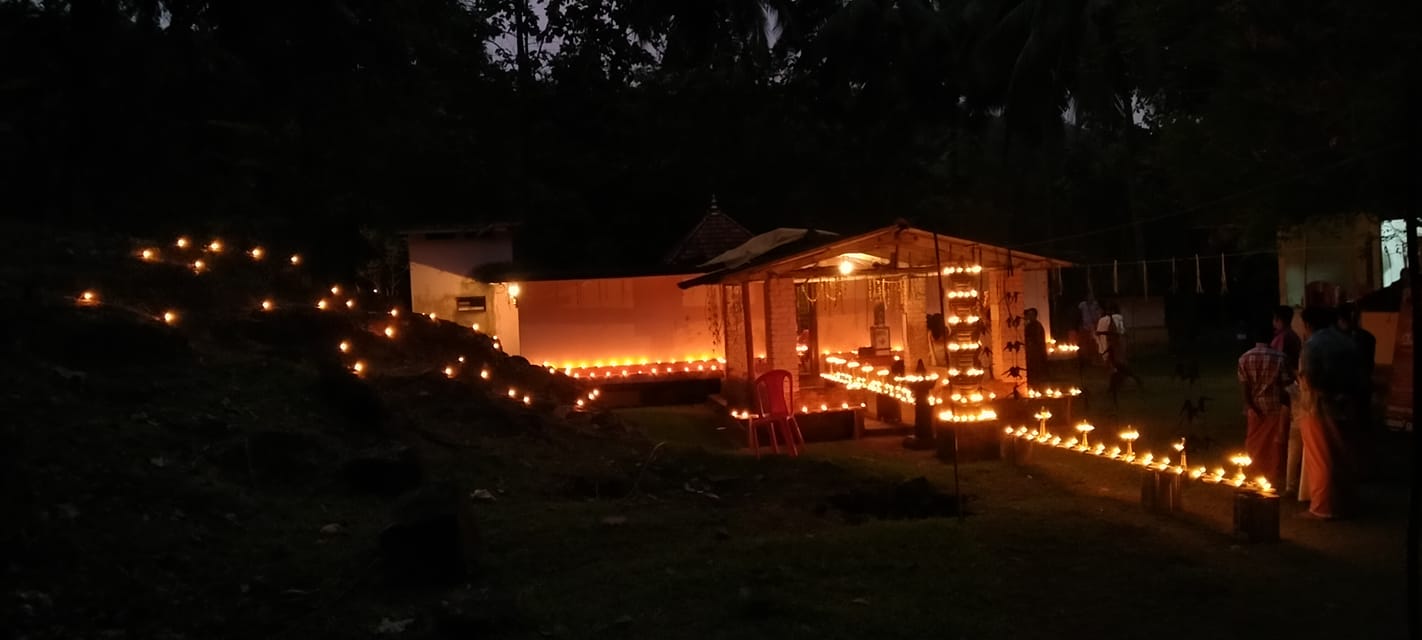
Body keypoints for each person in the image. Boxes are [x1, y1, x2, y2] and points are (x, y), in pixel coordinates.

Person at [1297, 306, 1361, 520]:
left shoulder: (1312, 345)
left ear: (1308, 324)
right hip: (1347, 403)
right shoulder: (1347, 342)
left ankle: (1322, 507)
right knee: (1343, 454)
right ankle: (1345, 503)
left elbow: (1309, 377)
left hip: (1319, 405)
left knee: (1320, 457)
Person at [1238, 326, 1288, 486]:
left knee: (1254, 441)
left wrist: (1249, 404)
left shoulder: (1245, 358)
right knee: (1274, 442)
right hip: (1274, 405)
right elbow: (1286, 383)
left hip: (1255, 406)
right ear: (1271, 337)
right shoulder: (1280, 357)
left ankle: (1254, 469)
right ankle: (1272, 473)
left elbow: (1244, 385)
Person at [1337, 302, 1377, 431]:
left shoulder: (1337, 339)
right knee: (1362, 422)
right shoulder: (1368, 337)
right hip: (1363, 385)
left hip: (1346, 388)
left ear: (1340, 319)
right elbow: (1369, 363)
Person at [1097, 301, 1143, 403]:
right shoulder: (1113, 319)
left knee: (1119, 368)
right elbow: (1119, 332)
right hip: (1114, 348)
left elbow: (1115, 333)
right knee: (1117, 368)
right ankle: (1115, 386)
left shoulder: (1113, 320)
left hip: (1114, 348)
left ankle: (1119, 385)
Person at [1270, 305, 1303, 377]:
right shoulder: (1293, 335)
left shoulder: (1282, 337)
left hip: (1285, 377)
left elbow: (1277, 360)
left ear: (1278, 319)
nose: (1273, 323)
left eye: (1274, 319)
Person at [1023, 308, 1049, 385]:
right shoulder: (1028, 326)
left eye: (1031, 315)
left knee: (1037, 368)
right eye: (1029, 315)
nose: (1029, 316)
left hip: (1036, 351)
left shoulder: (1038, 326)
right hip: (1031, 351)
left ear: (1035, 316)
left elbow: (1038, 339)